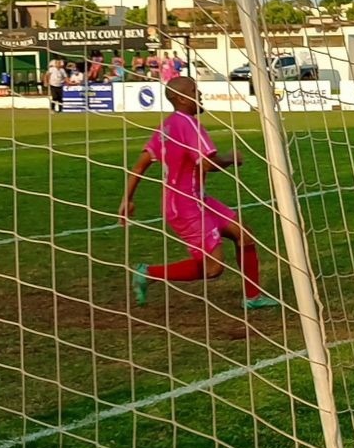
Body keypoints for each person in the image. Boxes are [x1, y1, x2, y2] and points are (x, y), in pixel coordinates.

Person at [119, 76, 278, 310]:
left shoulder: (167, 125)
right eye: (195, 91)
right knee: (213, 268)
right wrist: (231, 158)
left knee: (243, 234)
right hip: (185, 206)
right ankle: (148, 273)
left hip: (197, 199)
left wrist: (127, 198)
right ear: (182, 98)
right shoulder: (189, 124)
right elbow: (207, 164)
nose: (200, 95)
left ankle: (252, 297)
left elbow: (141, 164)